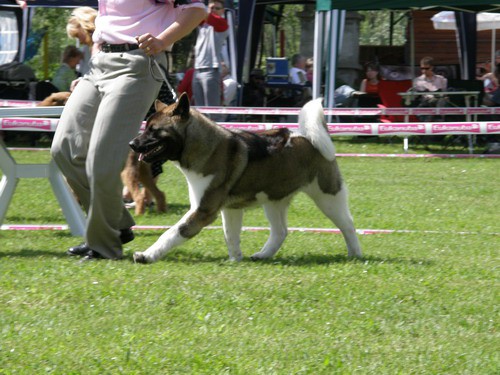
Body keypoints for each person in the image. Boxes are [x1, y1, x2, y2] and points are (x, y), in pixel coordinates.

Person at [50, 0, 206, 261]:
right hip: (99, 64)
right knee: (65, 149)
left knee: (102, 159)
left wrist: (161, 40)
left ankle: (104, 246)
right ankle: (117, 225)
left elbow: (198, 9)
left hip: (138, 63)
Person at [192, 0, 229, 111]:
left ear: (222, 11)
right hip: (197, 69)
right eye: (211, 8)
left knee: (212, 111)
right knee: (199, 111)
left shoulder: (222, 23)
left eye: (216, 8)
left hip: (211, 70)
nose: (213, 10)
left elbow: (203, 14)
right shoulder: (203, 23)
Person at [66, 6, 98, 77]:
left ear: (84, 28)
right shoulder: (87, 48)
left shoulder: (105, 44)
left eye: (78, 36)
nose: (80, 42)